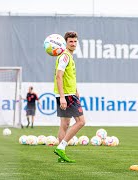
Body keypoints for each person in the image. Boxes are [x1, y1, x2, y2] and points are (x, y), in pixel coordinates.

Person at [53, 31, 85, 163]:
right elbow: (59, 76)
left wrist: (76, 89)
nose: (73, 44)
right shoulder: (65, 56)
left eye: (75, 41)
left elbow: (68, 76)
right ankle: (61, 147)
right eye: (70, 41)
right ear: (65, 43)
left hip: (69, 93)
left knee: (64, 124)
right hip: (67, 95)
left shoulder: (68, 56)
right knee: (81, 122)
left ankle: (61, 155)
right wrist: (62, 97)